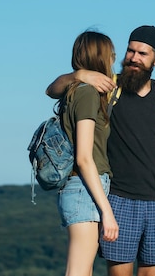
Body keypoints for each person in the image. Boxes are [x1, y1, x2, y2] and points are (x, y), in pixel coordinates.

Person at [46, 25, 155, 276]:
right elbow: (52, 90)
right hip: (118, 199)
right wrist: (80, 75)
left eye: (142, 54)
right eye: (130, 51)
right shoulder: (106, 86)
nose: (134, 58)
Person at [57, 30, 119, 276]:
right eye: (111, 55)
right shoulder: (87, 94)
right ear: (101, 58)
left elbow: (50, 89)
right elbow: (84, 157)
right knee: (79, 271)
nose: (114, 60)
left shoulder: (75, 90)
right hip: (85, 188)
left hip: (81, 188)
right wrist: (107, 212)